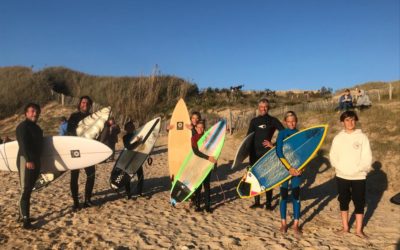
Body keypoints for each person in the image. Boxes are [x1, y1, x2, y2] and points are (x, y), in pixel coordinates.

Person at [329, 110, 372, 238]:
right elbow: (333, 155)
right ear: (343, 122)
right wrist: (339, 168)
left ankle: (359, 230)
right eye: (347, 120)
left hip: (359, 176)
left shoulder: (362, 137)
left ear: (356, 121)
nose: (350, 122)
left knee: (359, 202)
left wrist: (360, 169)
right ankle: (345, 228)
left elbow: (367, 156)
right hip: (342, 175)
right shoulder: (338, 138)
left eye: (352, 119)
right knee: (343, 201)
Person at [247, 98, 284, 210]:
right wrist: (245, 152)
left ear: (268, 108)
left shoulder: (273, 120)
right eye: (261, 107)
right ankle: (257, 202)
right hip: (254, 153)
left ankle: (268, 203)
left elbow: (283, 132)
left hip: (267, 153)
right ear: (258, 108)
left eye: (265, 107)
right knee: (255, 177)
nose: (263, 109)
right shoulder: (254, 121)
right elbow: (248, 137)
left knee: (267, 178)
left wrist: (274, 144)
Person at [15, 103, 43, 229]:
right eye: (32, 111)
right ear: (26, 113)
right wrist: (28, 160)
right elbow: (23, 144)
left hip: (35, 161)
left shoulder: (37, 128)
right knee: (25, 189)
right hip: (25, 160)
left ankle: (23, 215)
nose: (35, 113)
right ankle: (25, 220)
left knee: (29, 189)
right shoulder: (23, 126)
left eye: (36, 111)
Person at [67, 96, 96, 210]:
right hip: (76, 149)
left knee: (91, 175)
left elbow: (96, 132)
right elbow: (69, 131)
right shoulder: (74, 116)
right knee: (75, 176)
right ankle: (75, 202)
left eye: (87, 103)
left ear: (90, 105)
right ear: (79, 104)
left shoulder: (93, 117)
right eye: (83, 102)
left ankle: (87, 200)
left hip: (88, 150)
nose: (85, 104)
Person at [276, 111, 302, 235]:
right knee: (284, 196)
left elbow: (305, 153)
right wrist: (288, 168)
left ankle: (296, 224)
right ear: (285, 122)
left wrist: (303, 167)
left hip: (297, 169)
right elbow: (279, 152)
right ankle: (284, 223)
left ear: (296, 120)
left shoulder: (300, 134)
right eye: (289, 121)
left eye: (294, 120)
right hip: (284, 169)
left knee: (296, 197)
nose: (292, 123)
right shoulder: (282, 133)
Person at [191, 120, 217, 213]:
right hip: (198, 164)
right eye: (198, 127)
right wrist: (208, 157)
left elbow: (213, 151)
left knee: (207, 186)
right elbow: (196, 152)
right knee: (198, 186)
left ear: (204, 128)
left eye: (202, 127)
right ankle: (197, 206)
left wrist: (214, 164)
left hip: (207, 164)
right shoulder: (193, 138)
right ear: (195, 128)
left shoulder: (208, 138)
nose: (200, 129)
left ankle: (207, 206)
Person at [122, 121, 143, 199]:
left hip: (138, 157)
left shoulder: (138, 135)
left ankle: (139, 192)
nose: (132, 128)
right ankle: (128, 193)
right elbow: (129, 147)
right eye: (130, 127)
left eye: (132, 126)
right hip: (129, 158)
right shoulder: (125, 137)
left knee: (140, 175)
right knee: (127, 176)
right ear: (126, 129)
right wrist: (138, 141)